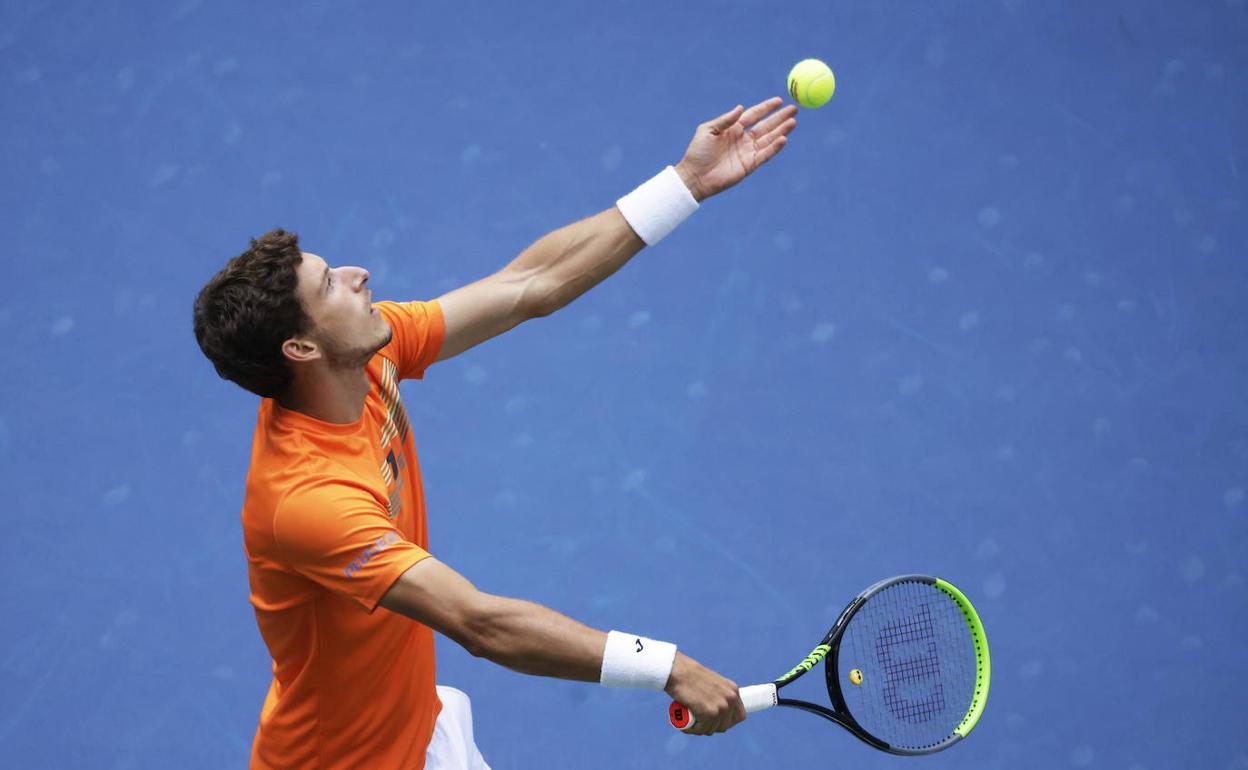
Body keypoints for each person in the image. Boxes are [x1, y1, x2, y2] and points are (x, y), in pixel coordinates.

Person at [193, 96, 798, 770]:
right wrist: (668, 666)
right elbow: (481, 624)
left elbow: (528, 285)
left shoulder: (368, 351)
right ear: (302, 350)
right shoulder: (308, 502)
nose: (359, 274)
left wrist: (684, 183)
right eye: (332, 284)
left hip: (416, 729)